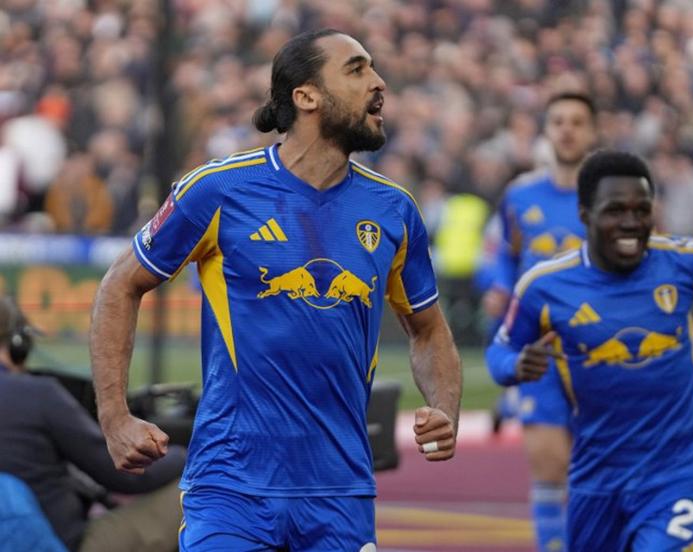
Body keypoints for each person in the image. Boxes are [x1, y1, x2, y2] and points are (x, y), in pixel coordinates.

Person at [89, 28, 462, 552]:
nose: (379, 82)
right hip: (230, 490)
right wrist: (114, 417)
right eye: (356, 69)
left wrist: (445, 409)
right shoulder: (217, 189)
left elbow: (428, 330)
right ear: (305, 96)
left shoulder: (395, 209)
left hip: (341, 496)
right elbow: (120, 285)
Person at [487, 149, 693, 551]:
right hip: (597, 476)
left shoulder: (687, 262)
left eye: (642, 210)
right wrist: (517, 365)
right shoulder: (544, 286)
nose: (631, 222)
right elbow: (499, 352)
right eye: (615, 210)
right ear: (585, 214)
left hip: (683, 467)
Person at [483, 92, 597, 550]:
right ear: (547, 131)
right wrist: (498, 286)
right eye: (558, 121)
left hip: (600, 352)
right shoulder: (520, 195)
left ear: (593, 132)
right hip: (541, 353)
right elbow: (500, 256)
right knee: (548, 470)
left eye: (577, 121)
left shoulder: (611, 194)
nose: (567, 129)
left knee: (600, 479)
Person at [0, 296, 185, 552]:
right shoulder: (37, 394)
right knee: (206, 483)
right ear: (19, 344)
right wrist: (184, 454)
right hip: (61, 543)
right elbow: (126, 476)